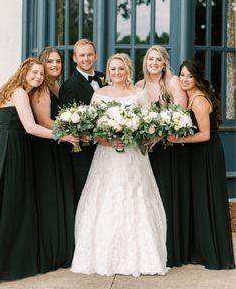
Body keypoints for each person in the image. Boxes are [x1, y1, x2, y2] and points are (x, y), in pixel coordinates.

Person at [71, 53, 168, 276]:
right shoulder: (99, 95)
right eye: (113, 69)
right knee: (106, 199)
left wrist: (141, 138)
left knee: (136, 198)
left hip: (134, 156)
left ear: (128, 71)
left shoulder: (139, 94)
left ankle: (142, 257)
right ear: (108, 71)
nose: (116, 73)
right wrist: (107, 140)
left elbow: (149, 124)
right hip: (107, 155)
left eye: (121, 69)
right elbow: (92, 129)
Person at [0, 58, 55, 282]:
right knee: (8, 201)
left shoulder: (17, 90)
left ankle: (1, 259)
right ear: (24, 71)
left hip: (10, 145)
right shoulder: (19, 93)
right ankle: (4, 263)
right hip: (9, 149)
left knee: (5, 200)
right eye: (34, 72)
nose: (38, 77)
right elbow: (30, 127)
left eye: (41, 75)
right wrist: (62, 135)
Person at [168, 59, 235, 270]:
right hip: (197, 154)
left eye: (190, 75)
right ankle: (203, 251)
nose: (185, 80)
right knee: (201, 200)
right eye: (183, 75)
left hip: (206, 154)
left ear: (197, 77)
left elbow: (205, 135)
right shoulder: (189, 96)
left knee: (208, 199)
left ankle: (215, 255)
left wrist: (177, 140)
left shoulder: (198, 100)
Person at [136, 45, 189, 267]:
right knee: (147, 200)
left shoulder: (173, 82)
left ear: (164, 62)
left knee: (167, 197)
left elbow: (181, 115)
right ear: (145, 62)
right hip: (145, 152)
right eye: (151, 59)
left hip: (169, 149)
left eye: (158, 59)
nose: (154, 63)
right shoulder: (138, 86)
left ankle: (172, 251)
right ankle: (150, 250)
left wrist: (160, 136)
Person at [31, 47, 77, 272]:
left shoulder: (56, 86)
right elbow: (44, 121)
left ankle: (60, 249)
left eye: (58, 61)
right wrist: (72, 130)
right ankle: (50, 251)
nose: (54, 65)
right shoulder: (41, 88)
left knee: (58, 196)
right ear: (42, 63)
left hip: (58, 145)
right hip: (46, 147)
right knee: (50, 197)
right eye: (49, 62)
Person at [58, 39, 105, 207]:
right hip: (84, 153)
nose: (86, 58)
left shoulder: (103, 78)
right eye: (82, 55)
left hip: (107, 151)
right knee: (86, 199)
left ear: (96, 56)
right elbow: (68, 124)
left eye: (90, 54)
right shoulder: (69, 86)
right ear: (74, 58)